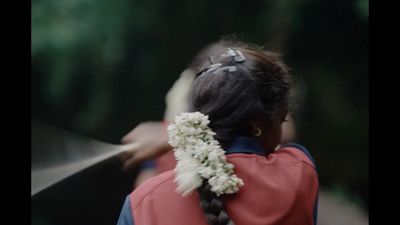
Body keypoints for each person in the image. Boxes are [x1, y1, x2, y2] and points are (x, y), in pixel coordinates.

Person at [117, 40, 318, 225]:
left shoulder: (143, 203)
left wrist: (175, 135)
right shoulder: (298, 175)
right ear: (257, 123)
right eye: (282, 119)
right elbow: (290, 140)